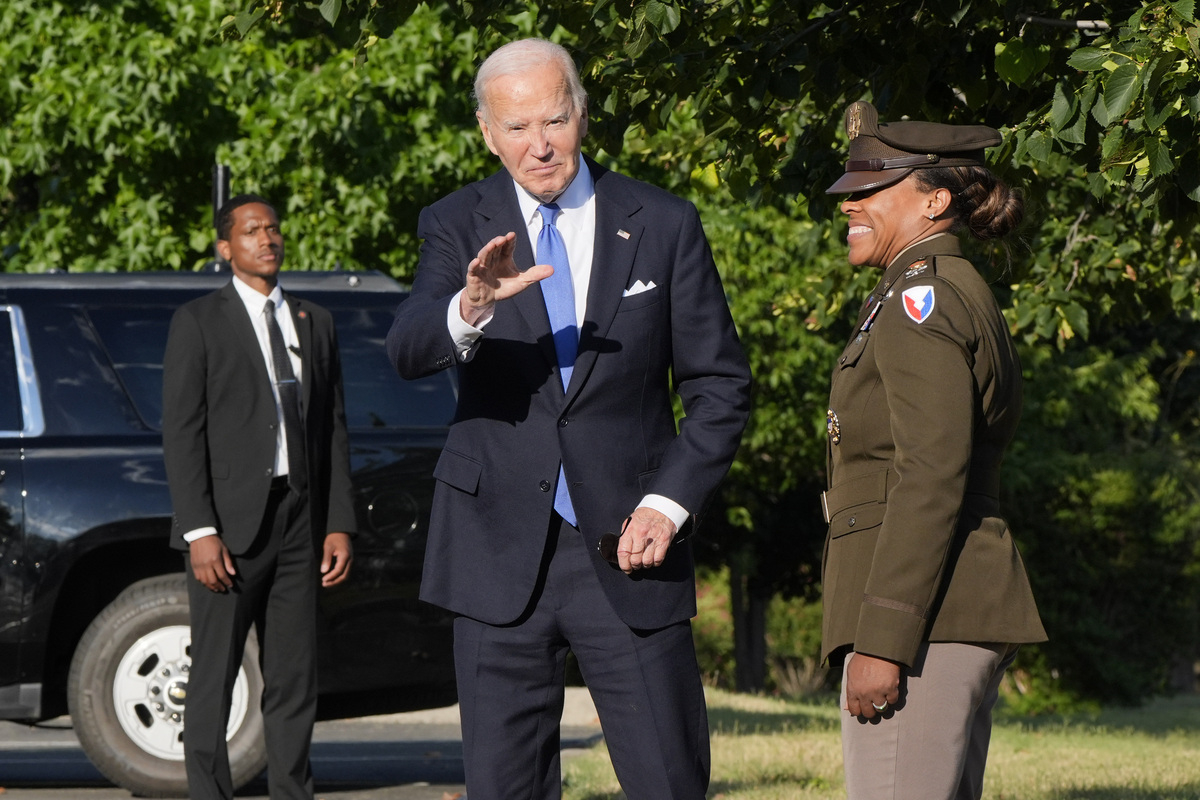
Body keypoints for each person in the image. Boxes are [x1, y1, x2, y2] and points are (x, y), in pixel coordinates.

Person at [386, 38, 751, 800]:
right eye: (517, 128)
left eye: (554, 120)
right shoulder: (455, 223)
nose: (540, 145)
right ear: (488, 132)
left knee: (668, 780)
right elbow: (410, 348)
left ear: (582, 114)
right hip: (493, 554)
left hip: (630, 546)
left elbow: (720, 389)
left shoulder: (662, 221)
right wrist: (473, 305)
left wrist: (668, 503)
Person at [819, 100, 1047, 800]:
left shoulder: (923, 300)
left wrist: (883, 637)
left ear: (935, 200)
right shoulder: (930, 290)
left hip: (926, 620)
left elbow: (929, 474)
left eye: (869, 191)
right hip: (941, 612)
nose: (848, 207)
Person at [162, 194, 356, 800]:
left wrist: (338, 522)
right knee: (215, 677)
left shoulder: (313, 322)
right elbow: (182, 431)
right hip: (228, 529)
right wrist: (199, 529)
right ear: (226, 249)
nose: (266, 239)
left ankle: (293, 794)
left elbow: (333, 429)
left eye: (272, 229)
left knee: (294, 678)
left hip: (301, 519)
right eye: (251, 231)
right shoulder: (198, 321)